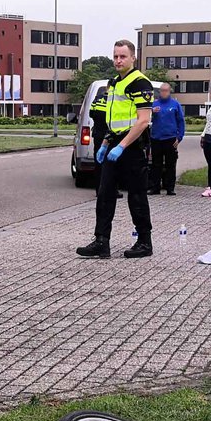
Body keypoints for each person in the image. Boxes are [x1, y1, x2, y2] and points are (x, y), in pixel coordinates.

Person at [76, 40, 154, 260]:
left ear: (133, 58)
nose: (118, 61)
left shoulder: (140, 83)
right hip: (113, 144)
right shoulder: (114, 83)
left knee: (136, 196)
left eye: (123, 56)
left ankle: (144, 242)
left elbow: (143, 121)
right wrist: (104, 144)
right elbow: (114, 120)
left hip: (133, 146)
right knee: (105, 194)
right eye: (116, 56)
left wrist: (121, 146)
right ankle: (102, 241)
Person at [148, 82, 184, 196]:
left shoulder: (175, 104)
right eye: (162, 90)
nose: (163, 93)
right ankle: (155, 187)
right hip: (156, 138)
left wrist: (179, 137)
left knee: (170, 165)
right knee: (155, 165)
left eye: (166, 90)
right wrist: (152, 112)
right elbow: (145, 119)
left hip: (170, 139)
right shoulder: (154, 104)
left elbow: (181, 121)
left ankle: (170, 188)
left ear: (169, 91)